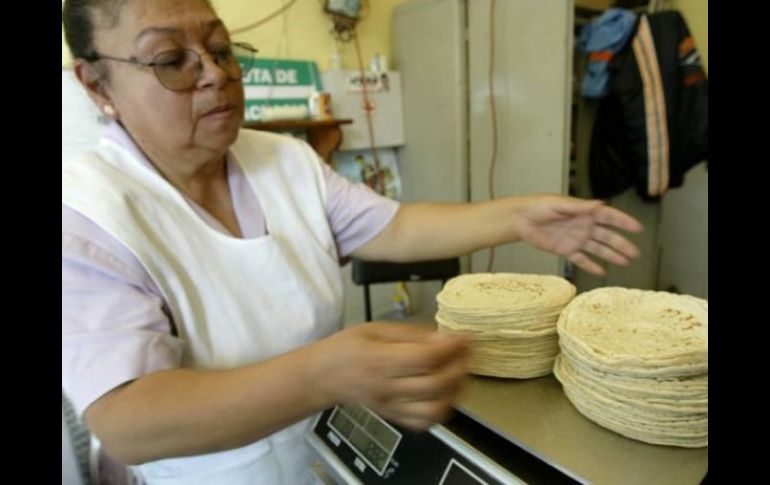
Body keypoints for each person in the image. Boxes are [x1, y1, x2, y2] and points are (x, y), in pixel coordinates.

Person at [61, 0, 643, 483]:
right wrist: (324, 375)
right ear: (95, 83)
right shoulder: (87, 212)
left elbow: (396, 227)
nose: (214, 74)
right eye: (171, 60)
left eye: (220, 49)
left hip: (323, 455)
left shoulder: (284, 159)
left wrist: (519, 216)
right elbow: (128, 419)